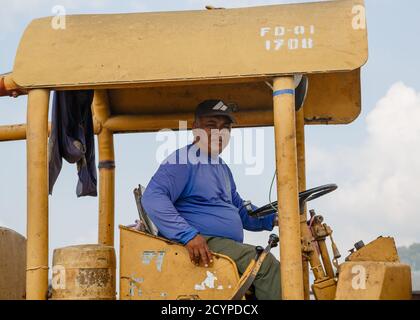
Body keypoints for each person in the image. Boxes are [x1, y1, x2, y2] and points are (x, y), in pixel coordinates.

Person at [141, 99, 281, 299]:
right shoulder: (183, 160)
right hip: (204, 243)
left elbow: (241, 212)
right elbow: (153, 198)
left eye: (226, 128)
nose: (219, 133)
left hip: (223, 244)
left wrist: (276, 218)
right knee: (265, 265)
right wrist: (188, 235)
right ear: (195, 128)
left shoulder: (221, 167)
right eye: (211, 126)